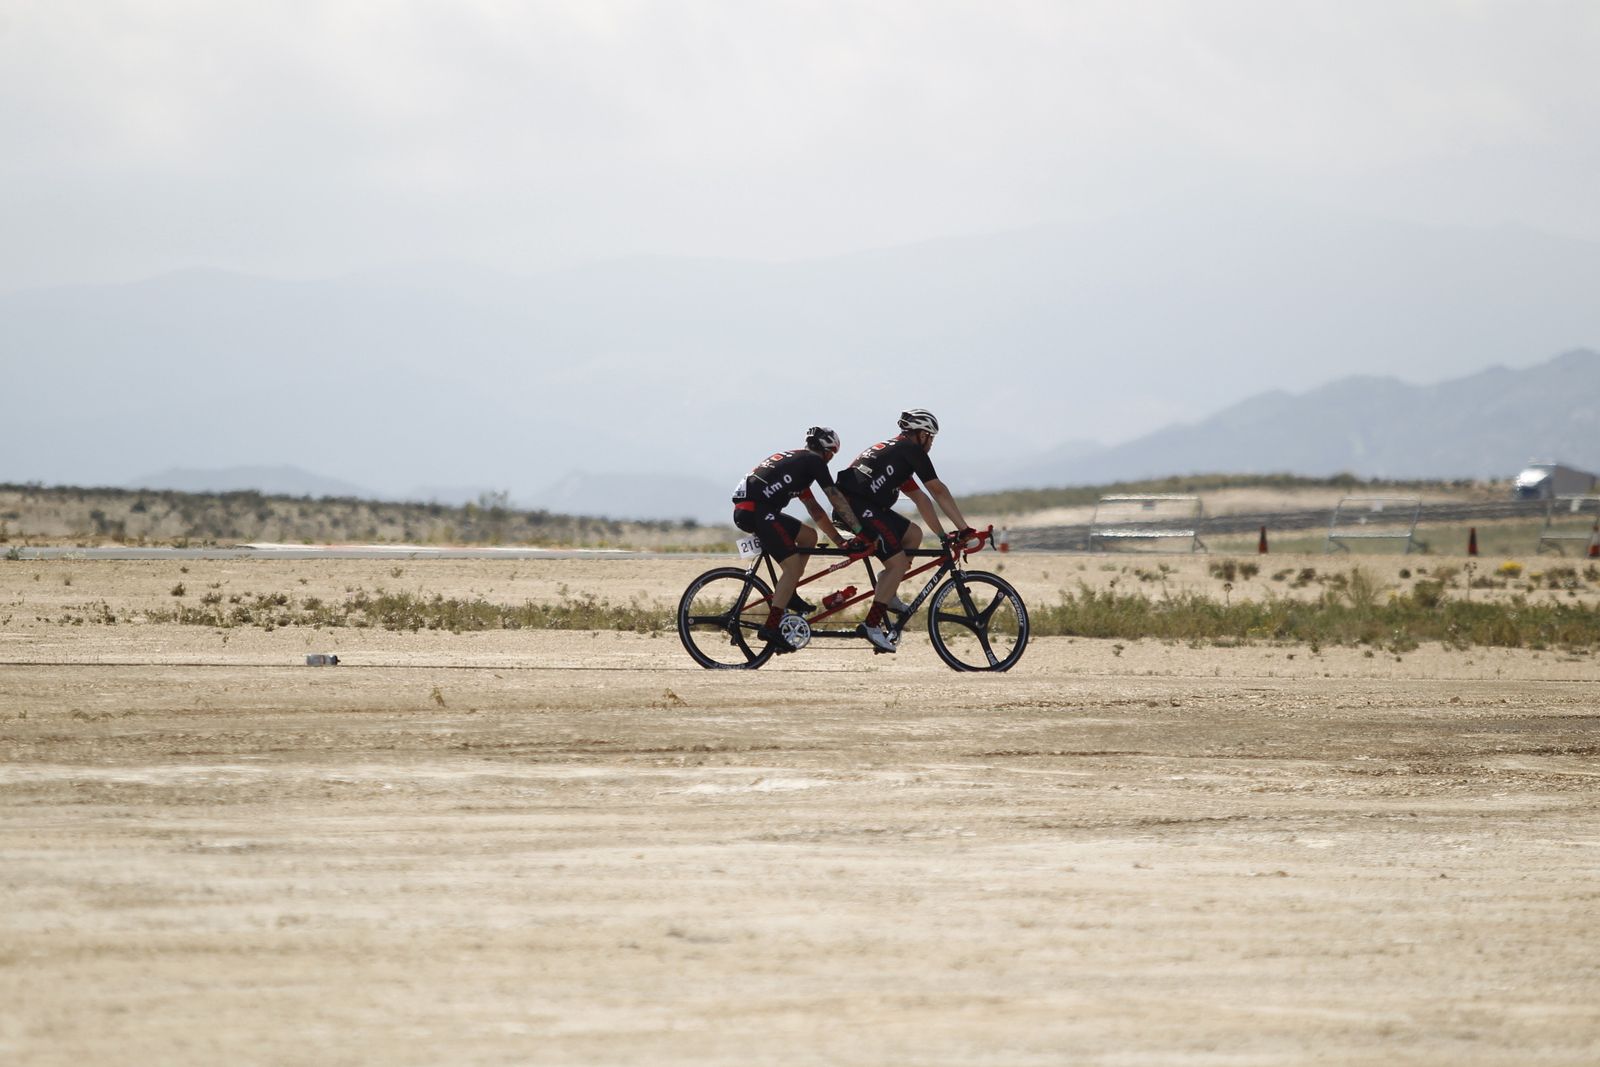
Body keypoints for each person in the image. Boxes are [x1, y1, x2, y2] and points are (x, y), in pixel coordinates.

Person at [834, 408, 977, 653]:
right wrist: (964, 529)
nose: (931, 443)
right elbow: (937, 490)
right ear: (920, 434)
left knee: (913, 534)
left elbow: (922, 500)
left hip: (861, 506)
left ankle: (887, 591)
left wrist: (943, 536)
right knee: (897, 563)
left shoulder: (896, 456)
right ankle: (871, 624)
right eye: (930, 437)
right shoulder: (910, 450)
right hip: (857, 509)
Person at [732, 427, 861, 652]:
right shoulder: (813, 462)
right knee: (791, 568)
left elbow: (816, 511)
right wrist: (859, 530)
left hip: (753, 509)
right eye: (832, 454)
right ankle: (771, 627)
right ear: (827, 452)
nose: (830, 460)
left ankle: (788, 592)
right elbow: (835, 497)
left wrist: (840, 541)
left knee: (809, 536)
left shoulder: (798, 466)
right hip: (758, 511)